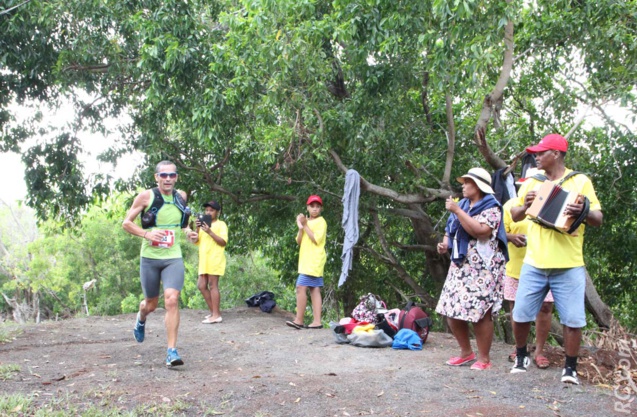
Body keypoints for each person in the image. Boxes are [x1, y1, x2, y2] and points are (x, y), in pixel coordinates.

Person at [509, 134, 602, 385]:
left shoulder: (579, 181)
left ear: (557, 154)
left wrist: (582, 210)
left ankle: (570, 368)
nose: (536, 157)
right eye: (536, 153)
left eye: (541, 152)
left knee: (573, 319)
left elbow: (598, 218)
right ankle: (521, 356)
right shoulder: (532, 181)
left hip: (569, 263)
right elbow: (515, 214)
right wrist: (526, 204)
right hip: (534, 262)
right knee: (520, 314)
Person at [122, 161, 199, 367]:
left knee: (172, 299)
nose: (168, 179)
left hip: (173, 256)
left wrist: (188, 233)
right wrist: (146, 233)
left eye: (172, 175)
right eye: (163, 175)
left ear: (176, 178)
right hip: (150, 258)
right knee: (151, 304)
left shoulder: (180, 197)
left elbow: (182, 223)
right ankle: (141, 317)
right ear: (156, 177)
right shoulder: (146, 196)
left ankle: (171, 351)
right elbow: (126, 223)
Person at [435, 167, 508, 370]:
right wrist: (444, 244)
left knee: (481, 312)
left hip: (483, 268)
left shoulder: (492, 208)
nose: (463, 185)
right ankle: (466, 352)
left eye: (467, 182)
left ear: (477, 186)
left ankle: (484, 359)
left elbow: (481, 232)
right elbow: (450, 230)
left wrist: (457, 211)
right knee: (451, 308)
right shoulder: (464, 204)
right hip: (460, 264)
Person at [502, 190, 554, 370]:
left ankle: (539, 351)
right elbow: (498, 232)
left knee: (545, 307)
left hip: (546, 265)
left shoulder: (552, 202)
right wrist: (511, 237)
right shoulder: (511, 205)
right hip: (516, 267)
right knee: (516, 308)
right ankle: (520, 349)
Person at [285, 195, 327, 330]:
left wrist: (305, 224)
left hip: (314, 260)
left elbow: (316, 239)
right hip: (306, 260)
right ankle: (317, 321)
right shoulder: (306, 222)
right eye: (312, 206)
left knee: (300, 287)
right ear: (307, 207)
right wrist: (301, 227)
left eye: (317, 207)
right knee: (314, 289)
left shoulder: (321, 222)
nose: (315, 209)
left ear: (321, 209)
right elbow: (299, 241)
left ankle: (299, 320)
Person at [194, 200, 228, 324]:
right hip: (203, 259)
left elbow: (223, 241)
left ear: (217, 212)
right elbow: (196, 241)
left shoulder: (221, 224)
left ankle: (216, 315)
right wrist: (197, 229)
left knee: (213, 285)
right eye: (207, 210)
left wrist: (210, 231)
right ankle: (214, 312)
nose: (208, 212)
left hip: (215, 258)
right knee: (201, 285)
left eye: (211, 210)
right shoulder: (202, 226)